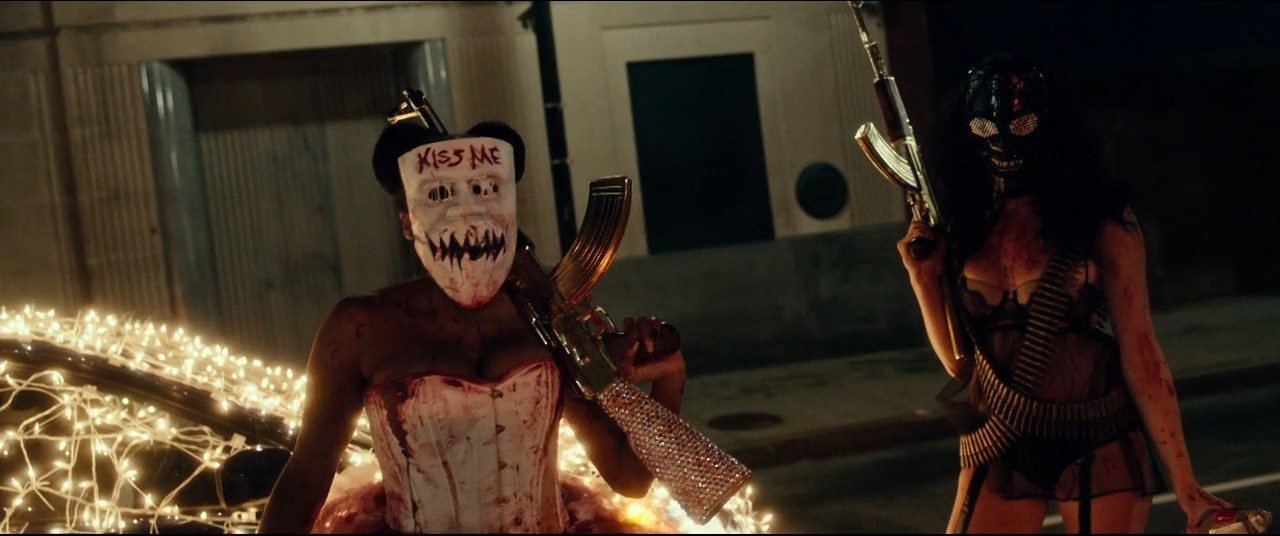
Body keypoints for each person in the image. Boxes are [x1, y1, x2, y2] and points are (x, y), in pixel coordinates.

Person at [257, 116, 687, 533]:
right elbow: (306, 479)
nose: (466, 213)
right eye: (440, 194)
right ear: (407, 222)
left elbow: (630, 478)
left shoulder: (544, 316)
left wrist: (669, 376)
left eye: (485, 191)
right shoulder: (360, 327)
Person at [897, 55, 1230, 533]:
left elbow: (1142, 354)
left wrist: (1187, 488)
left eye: (1021, 124)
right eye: (987, 126)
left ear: (1051, 126)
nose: (1004, 140)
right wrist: (923, 278)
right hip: (1001, 436)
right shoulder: (966, 225)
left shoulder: (1098, 220)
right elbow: (960, 364)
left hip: (1095, 435)